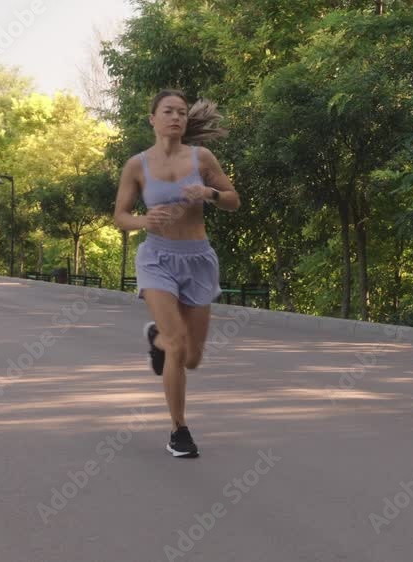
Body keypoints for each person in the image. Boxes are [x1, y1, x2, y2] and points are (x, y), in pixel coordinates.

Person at [113, 89, 240, 458]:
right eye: (168, 111)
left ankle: (157, 340)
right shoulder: (137, 166)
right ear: (152, 118)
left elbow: (234, 200)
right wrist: (142, 220)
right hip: (157, 257)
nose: (176, 117)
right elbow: (120, 215)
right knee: (178, 341)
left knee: (191, 358)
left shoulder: (202, 158)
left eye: (182, 113)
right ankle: (178, 430)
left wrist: (210, 194)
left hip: (198, 259)